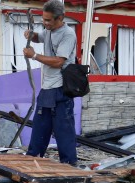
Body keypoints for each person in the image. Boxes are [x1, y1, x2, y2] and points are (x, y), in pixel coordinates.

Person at [23, 0, 78, 165]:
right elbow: (39, 37)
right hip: (47, 88)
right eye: (43, 19)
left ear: (60, 18)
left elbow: (59, 62)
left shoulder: (68, 34)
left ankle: (68, 166)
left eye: (48, 20)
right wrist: (30, 35)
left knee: (63, 131)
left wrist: (34, 56)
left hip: (61, 88)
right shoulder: (48, 30)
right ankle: (32, 160)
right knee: (40, 127)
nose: (44, 23)